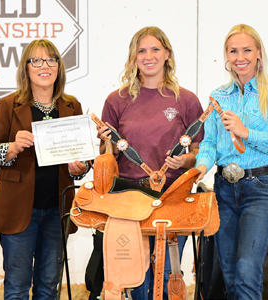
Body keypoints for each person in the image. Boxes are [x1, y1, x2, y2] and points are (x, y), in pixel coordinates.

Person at [97, 26, 204, 299]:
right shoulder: (116, 100)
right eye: (141, 51)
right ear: (133, 57)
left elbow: (199, 150)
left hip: (173, 195)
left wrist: (185, 161)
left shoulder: (187, 100)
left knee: (169, 275)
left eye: (155, 49)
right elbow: (107, 156)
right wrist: (105, 143)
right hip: (128, 199)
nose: (148, 56)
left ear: (167, 54)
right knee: (136, 278)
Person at [0, 39, 90, 299]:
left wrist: (79, 168)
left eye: (51, 60)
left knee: (48, 287)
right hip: (18, 211)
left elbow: (83, 160)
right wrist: (11, 148)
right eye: (36, 60)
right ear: (26, 68)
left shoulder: (72, 107)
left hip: (58, 211)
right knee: (17, 288)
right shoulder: (8, 105)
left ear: (58, 67)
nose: (44, 66)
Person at [195, 24, 268, 300]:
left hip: (260, 189)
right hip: (223, 189)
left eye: (246, 49)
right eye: (233, 51)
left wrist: (246, 132)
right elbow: (210, 143)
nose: (240, 57)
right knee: (231, 276)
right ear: (226, 55)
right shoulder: (218, 96)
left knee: (247, 272)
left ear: (258, 53)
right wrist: (201, 166)